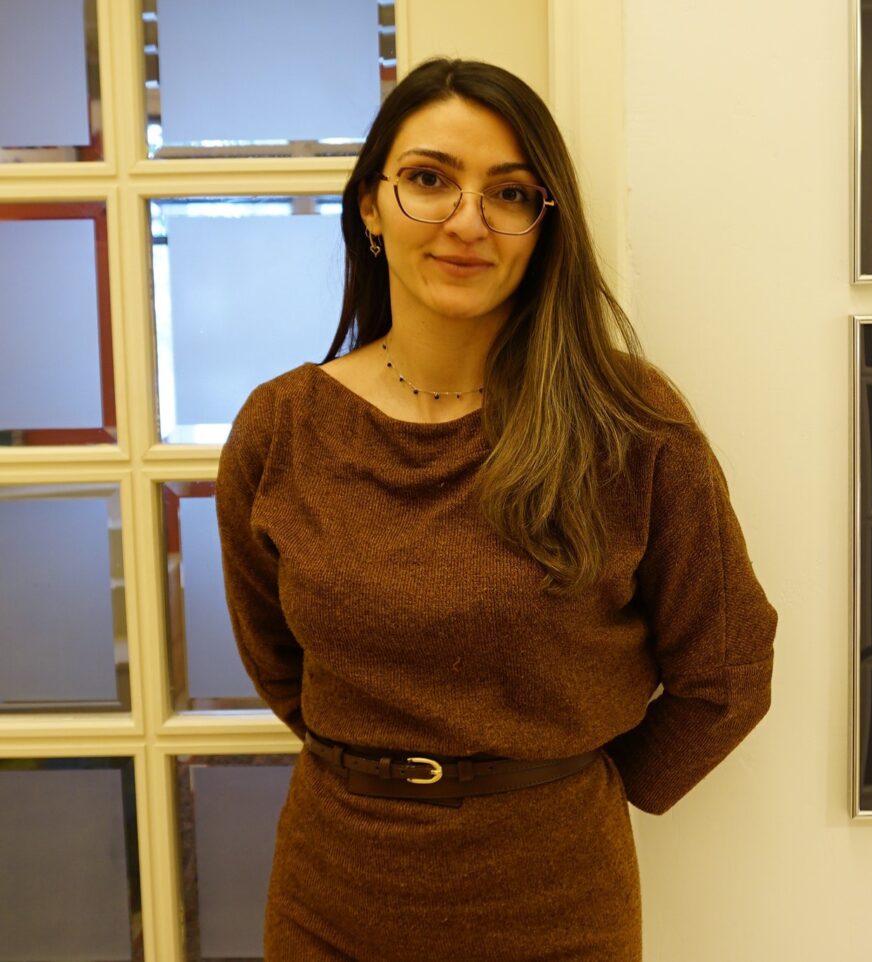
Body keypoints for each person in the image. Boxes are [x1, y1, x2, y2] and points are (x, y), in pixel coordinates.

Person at [215, 58, 777, 961]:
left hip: (560, 902)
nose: (467, 222)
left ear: (544, 225)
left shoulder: (627, 422)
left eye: (509, 193)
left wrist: (573, 785)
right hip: (333, 894)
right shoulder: (281, 428)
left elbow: (729, 668)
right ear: (370, 206)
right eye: (429, 179)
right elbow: (280, 665)